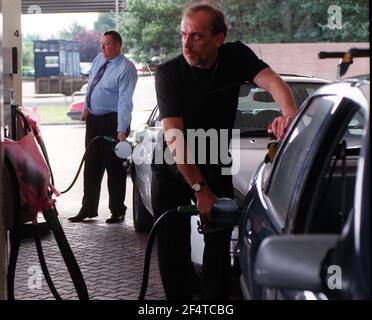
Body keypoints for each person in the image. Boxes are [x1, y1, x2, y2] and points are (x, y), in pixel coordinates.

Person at [151, 4, 297, 299]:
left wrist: (290, 114)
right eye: (183, 34)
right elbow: (175, 139)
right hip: (173, 164)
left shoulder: (236, 56)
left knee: (218, 246)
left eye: (197, 36)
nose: (187, 43)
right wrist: (199, 189)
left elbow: (272, 82)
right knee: (173, 252)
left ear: (219, 38)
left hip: (215, 157)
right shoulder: (168, 73)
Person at [69, 30, 137, 224]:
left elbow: (125, 102)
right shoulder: (99, 59)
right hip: (94, 121)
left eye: (106, 44)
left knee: (115, 167)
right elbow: (91, 84)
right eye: (101, 44)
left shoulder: (126, 69)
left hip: (114, 123)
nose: (102, 48)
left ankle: (117, 210)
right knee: (91, 166)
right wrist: (86, 108)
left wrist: (121, 130)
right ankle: (88, 208)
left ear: (117, 46)